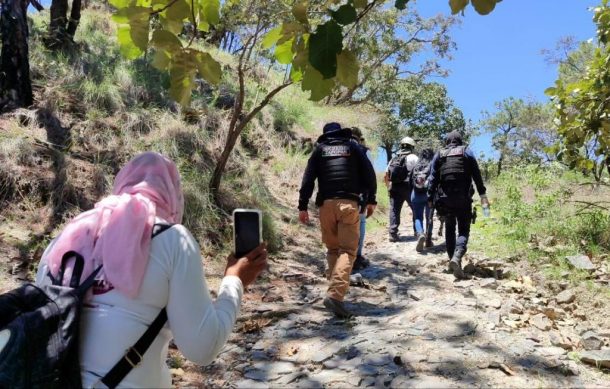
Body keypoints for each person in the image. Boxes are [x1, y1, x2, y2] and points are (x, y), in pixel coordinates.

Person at [34, 152, 268, 388]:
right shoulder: (174, 241)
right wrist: (234, 281)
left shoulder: (68, 236)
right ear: (173, 195)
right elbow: (203, 348)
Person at [298, 122, 377, 318]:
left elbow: (307, 180)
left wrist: (302, 206)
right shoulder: (354, 147)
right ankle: (335, 296)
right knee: (348, 251)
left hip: (326, 207)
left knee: (333, 249)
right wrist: (371, 200)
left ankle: (335, 292)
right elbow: (369, 174)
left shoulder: (320, 150)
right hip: (348, 204)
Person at [427, 131, 488, 279]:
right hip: (463, 199)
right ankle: (457, 256)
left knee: (449, 228)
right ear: (460, 141)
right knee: (463, 230)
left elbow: (433, 177)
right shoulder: (466, 151)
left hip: (445, 199)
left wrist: (430, 197)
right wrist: (482, 194)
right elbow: (476, 174)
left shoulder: (440, 154)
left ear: (446, 142)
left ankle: (452, 260)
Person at [384, 136, 418, 242]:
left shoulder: (394, 158)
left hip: (395, 187)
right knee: (415, 209)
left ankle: (393, 233)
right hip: (409, 187)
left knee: (394, 209)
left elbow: (386, 175)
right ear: (412, 146)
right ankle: (417, 232)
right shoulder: (414, 157)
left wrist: (389, 187)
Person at [350, 127, 372, 271]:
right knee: (360, 223)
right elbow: (369, 175)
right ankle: (356, 256)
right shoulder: (364, 151)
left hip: (336, 194)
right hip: (359, 195)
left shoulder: (337, 148)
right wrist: (371, 198)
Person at [409, 148, 434, 252]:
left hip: (416, 194)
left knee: (418, 217)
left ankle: (420, 234)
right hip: (429, 195)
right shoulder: (433, 164)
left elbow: (410, 181)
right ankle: (428, 240)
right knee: (429, 217)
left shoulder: (416, 166)